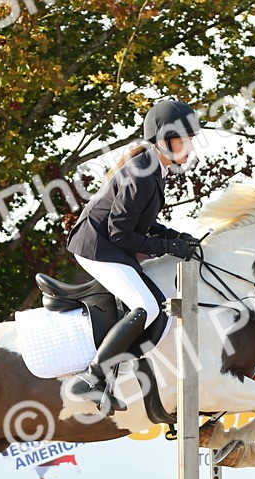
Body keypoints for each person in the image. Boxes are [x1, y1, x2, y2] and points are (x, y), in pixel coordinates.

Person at [65, 99, 202, 413]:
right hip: (96, 247)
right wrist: (168, 248)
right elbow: (120, 234)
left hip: (109, 243)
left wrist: (173, 236)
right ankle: (92, 377)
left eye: (191, 139)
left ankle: (113, 374)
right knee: (147, 307)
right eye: (186, 139)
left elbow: (142, 222)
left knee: (153, 301)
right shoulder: (142, 172)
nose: (191, 147)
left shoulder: (154, 168)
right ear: (165, 140)